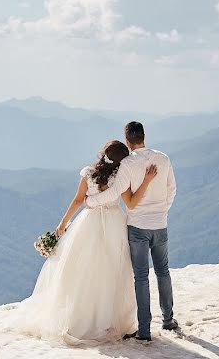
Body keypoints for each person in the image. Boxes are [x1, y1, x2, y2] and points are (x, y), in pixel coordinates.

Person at [13, 140, 158, 345]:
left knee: (84, 271)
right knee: (113, 271)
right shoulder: (120, 177)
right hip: (114, 223)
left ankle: (82, 318)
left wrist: (63, 223)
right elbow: (131, 203)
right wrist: (147, 181)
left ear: (102, 154)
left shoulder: (88, 173)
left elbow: (78, 200)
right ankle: (109, 320)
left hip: (88, 222)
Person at [85, 121, 178, 342]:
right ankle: (168, 320)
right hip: (160, 224)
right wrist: (162, 210)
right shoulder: (163, 159)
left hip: (137, 227)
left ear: (127, 140)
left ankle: (144, 331)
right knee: (163, 272)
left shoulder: (127, 163)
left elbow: (115, 193)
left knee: (141, 277)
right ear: (144, 136)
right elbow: (172, 189)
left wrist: (90, 202)